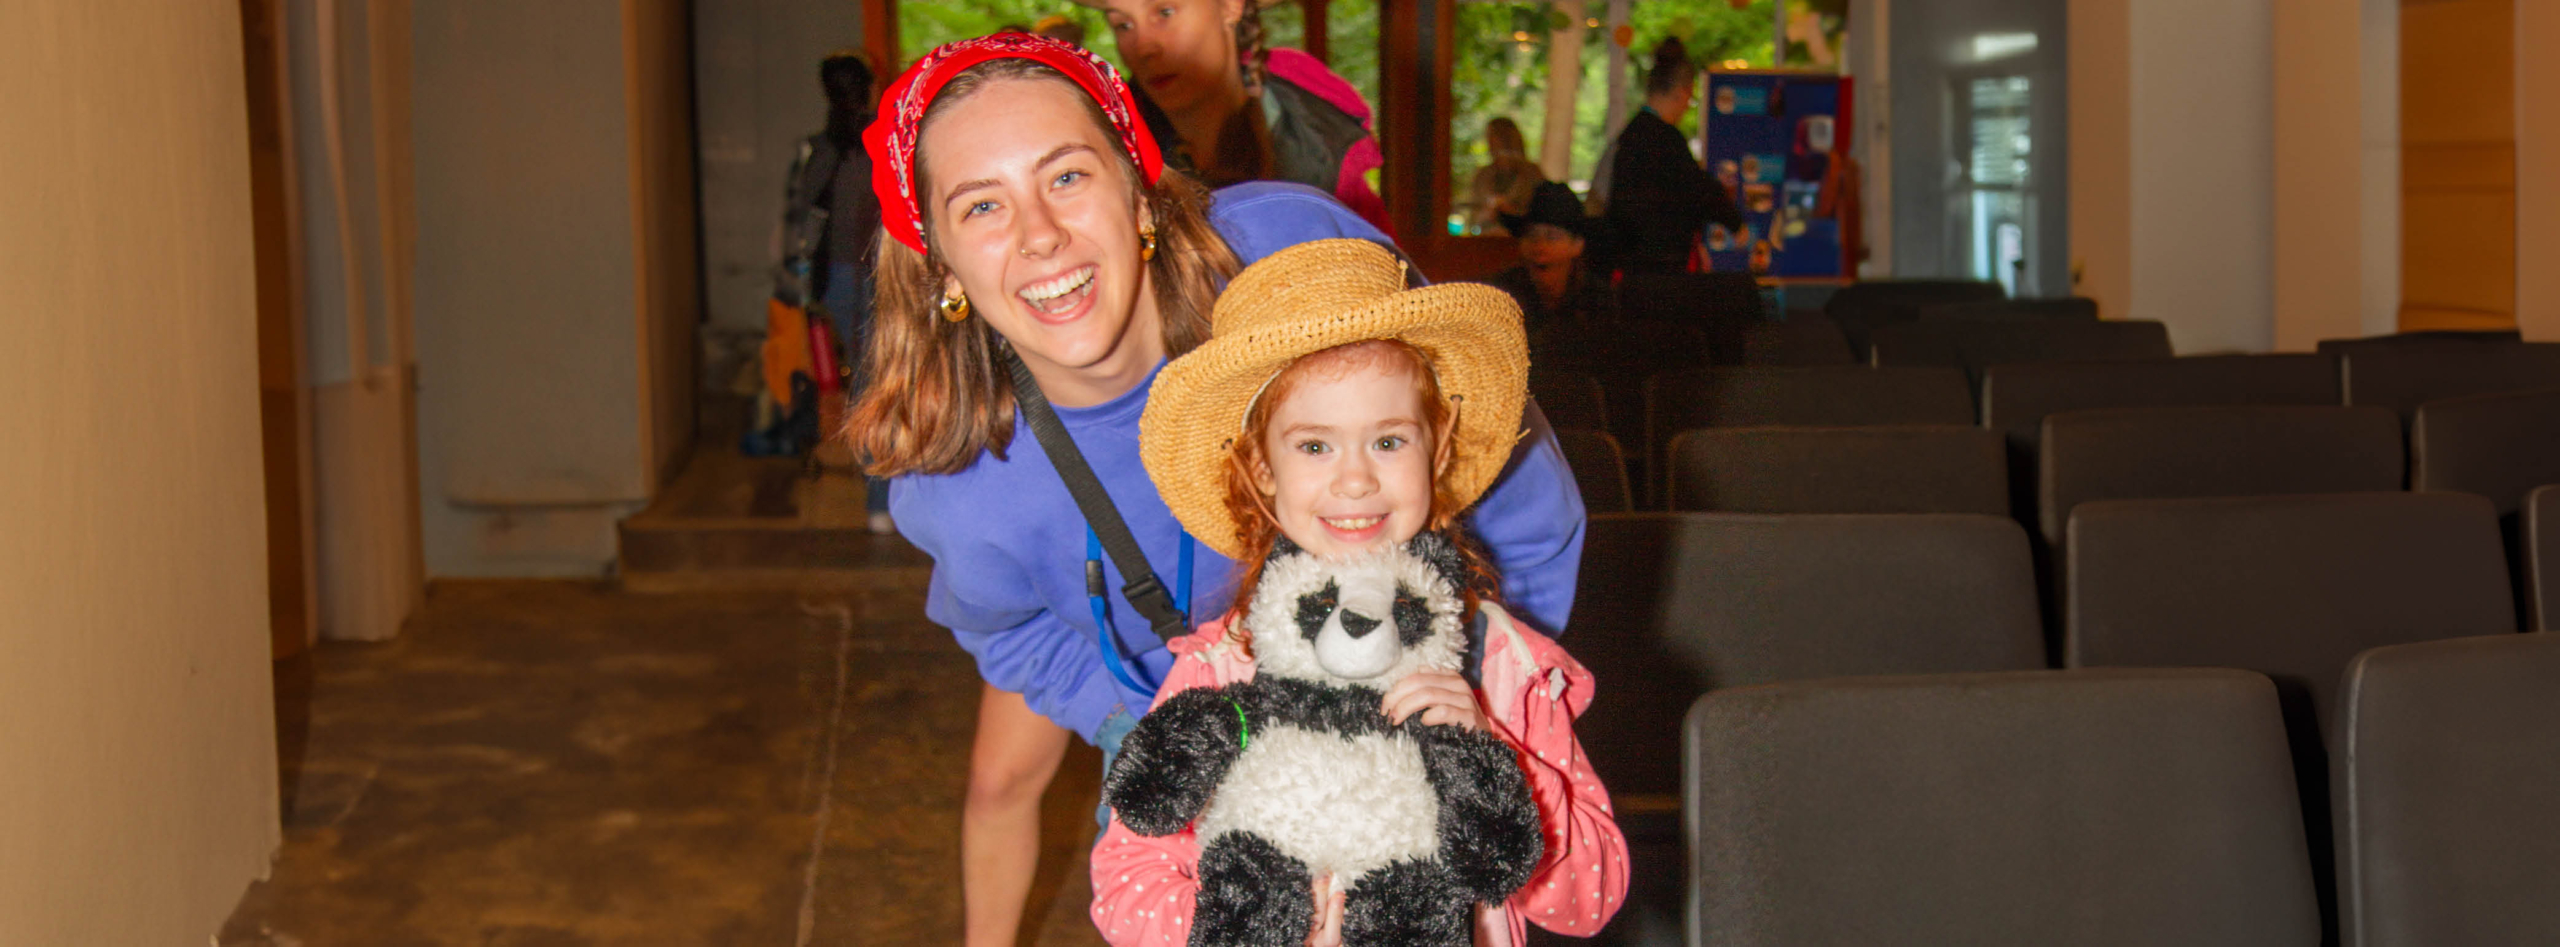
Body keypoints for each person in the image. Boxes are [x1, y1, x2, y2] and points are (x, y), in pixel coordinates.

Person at [843, 34, 1587, 947]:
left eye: (1068, 176)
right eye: (983, 204)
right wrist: (1150, 721)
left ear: (1137, 185)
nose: (1040, 234)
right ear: (942, 266)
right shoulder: (955, 480)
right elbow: (1014, 639)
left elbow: (1515, 485)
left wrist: (1496, 703)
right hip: (1210, 723)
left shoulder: (1289, 251)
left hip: (1409, 695)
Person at [1092, 239, 1627, 946]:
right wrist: (1244, 930)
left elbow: (1596, 892)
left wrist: (1494, 753)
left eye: (1388, 441)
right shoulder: (1223, 666)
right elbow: (1126, 884)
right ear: (1262, 467)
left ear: (1437, 448)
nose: (1354, 480)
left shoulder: (1500, 662)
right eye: (1314, 445)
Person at [1086, 0, 1391, 234]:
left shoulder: (1314, 133)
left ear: (1231, 6)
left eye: (1165, 12)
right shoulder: (1116, 156)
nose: (1143, 46)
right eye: (1123, 25)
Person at [779, 50, 893, 530]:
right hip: (879, 279)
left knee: (857, 387)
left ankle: (878, 499)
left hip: (836, 279)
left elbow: (797, 221)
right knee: (874, 387)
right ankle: (880, 502)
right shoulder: (881, 144)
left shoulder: (818, 151)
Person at [1601, 37, 1744, 275]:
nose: (1688, 105)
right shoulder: (1665, 140)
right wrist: (1735, 222)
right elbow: (1698, 189)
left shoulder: (1630, 135)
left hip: (1631, 261)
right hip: (1658, 265)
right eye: (1690, 97)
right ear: (1681, 92)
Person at [1483, 180, 1615, 341]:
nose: (1540, 245)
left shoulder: (1598, 301)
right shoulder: (1500, 295)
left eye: (1552, 237)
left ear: (1577, 245)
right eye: (1532, 235)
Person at [1466, 117, 1544, 236]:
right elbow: (1474, 214)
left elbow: (1540, 212)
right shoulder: (1483, 175)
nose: (1492, 141)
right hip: (1485, 240)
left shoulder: (1531, 173)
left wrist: (1510, 210)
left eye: (1497, 136)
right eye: (1490, 136)